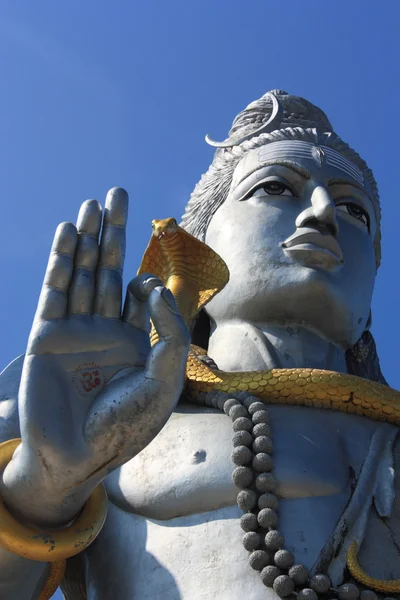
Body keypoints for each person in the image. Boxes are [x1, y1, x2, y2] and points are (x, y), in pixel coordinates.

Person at [0, 90, 398, 600]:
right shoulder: (92, 405)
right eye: (276, 187)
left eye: (354, 211)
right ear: (196, 244)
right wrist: (40, 492)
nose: (323, 214)